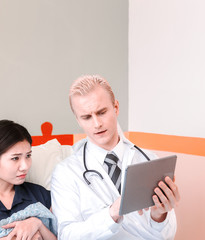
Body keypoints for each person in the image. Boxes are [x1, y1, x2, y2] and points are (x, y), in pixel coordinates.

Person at [51, 75, 180, 239]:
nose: (97, 124)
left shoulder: (149, 160)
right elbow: (67, 235)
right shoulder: (66, 173)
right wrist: (112, 213)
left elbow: (167, 236)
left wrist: (159, 216)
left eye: (101, 112)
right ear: (78, 120)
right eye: (87, 117)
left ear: (116, 107)